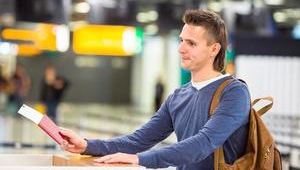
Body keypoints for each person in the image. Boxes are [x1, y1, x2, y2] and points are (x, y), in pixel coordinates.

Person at [60, 10, 251, 170]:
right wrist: (87, 145)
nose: (181, 49)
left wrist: (140, 159)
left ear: (214, 49)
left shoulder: (234, 93)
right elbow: (138, 141)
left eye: (191, 43)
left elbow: (203, 144)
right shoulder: (178, 96)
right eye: (181, 40)